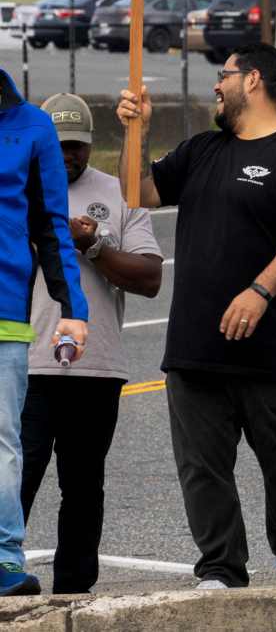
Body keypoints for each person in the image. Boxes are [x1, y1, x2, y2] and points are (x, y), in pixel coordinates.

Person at [116, 43, 276, 590]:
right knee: (202, 469)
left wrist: (260, 291)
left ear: (254, 80)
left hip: (270, 348)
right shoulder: (201, 151)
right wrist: (135, 132)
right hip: (196, 349)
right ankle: (220, 570)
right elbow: (135, 194)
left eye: (225, 75)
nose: (216, 85)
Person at [20, 94, 162, 594]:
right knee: (14, 483)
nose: (67, 157)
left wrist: (95, 245)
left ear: (90, 144)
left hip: (96, 368)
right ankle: (7, 579)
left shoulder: (119, 193)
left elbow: (149, 279)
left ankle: (74, 593)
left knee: (82, 490)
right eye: (57, 146)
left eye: (77, 146)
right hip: (27, 363)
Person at [0, 69, 89, 597]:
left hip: (5, 313)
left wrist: (72, 308)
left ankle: (5, 559)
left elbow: (51, 225)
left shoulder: (33, 127)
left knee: (2, 445)